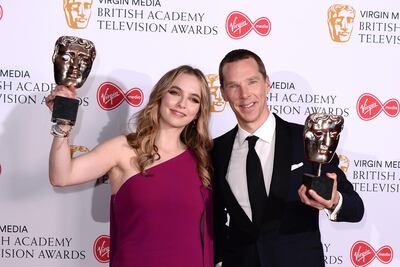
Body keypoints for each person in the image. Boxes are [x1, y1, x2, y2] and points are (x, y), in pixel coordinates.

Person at [45, 65, 214, 267]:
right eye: (174, 92)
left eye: (193, 99)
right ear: (160, 96)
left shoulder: (203, 160)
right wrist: (63, 122)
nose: (182, 104)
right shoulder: (123, 149)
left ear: (198, 112)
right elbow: (61, 176)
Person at [212, 49, 364, 267]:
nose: (244, 94)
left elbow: (356, 207)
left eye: (252, 82)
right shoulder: (217, 150)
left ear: (267, 83)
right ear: (224, 93)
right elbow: (214, 219)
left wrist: (333, 201)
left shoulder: (308, 140)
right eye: (233, 86)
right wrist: (219, 260)